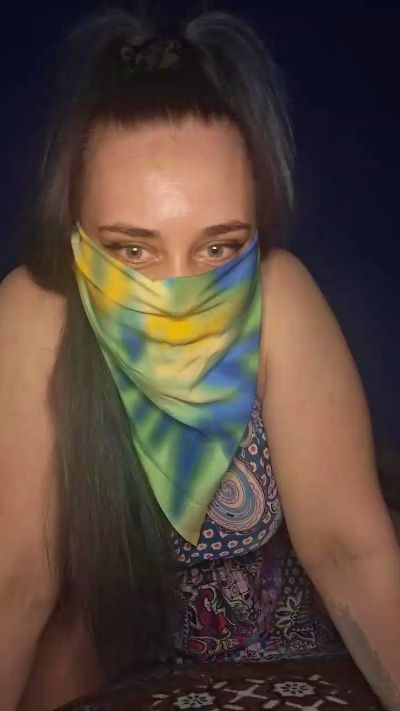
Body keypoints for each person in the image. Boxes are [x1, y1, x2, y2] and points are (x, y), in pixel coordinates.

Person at [1, 7, 399, 711]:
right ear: (76, 231)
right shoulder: (37, 312)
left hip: (296, 662)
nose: (179, 296)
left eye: (218, 248)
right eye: (133, 250)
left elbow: (349, 549)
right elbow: (16, 582)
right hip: (113, 666)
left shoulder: (278, 296)